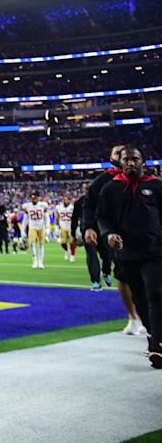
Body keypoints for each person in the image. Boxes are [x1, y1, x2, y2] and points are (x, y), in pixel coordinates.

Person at [96, 146, 162, 369]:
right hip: (126, 253)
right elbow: (103, 217)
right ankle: (155, 337)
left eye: (135, 159)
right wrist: (109, 234)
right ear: (121, 163)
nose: (131, 163)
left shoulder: (156, 185)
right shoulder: (110, 189)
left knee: (155, 294)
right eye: (127, 160)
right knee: (140, 299)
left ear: (142, 161)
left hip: (154, 251)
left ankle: (156, 344)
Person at [84, 144, 144, 334]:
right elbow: (90, 205)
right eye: (117, 153)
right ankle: (133, 317)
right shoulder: (104, 182)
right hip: (118, 237)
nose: (121, 157)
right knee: (124, 276)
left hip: (146, 236)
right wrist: (89, 227)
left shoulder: (147, 180)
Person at [73, 190, 111, 292]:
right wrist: (73, 234)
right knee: (91, 255)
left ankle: (106, 272)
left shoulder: (102, 200)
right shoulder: (79, 202)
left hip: (102, 230)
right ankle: (96, 281)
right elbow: (74, 218)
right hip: (87, 232)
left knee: (106, 255)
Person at [22, 193, 49, 269]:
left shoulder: (43, 205)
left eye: (35, 198)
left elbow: (46, 217)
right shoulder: (28, 206)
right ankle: (35, 260)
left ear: (38, 198)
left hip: (41, 227)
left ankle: (40, 261)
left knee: (41, 245)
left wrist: (47, 227)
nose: (34, 199)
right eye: (32, 198)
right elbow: (25, 219)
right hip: (32, 227)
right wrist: (23, 230)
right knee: (32, 244)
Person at [55, 195, 76, 262]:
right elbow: (57, 217)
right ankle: (67, 251)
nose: (65, 201)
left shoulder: (73, 207)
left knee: (72, 241)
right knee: (62, 242)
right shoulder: (59, 207)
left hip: (71, 226)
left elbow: (76, 217)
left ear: (70, 201)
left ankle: (72, 255)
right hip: (63, 225)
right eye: (64, 200)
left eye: (67, 200)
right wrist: (57, 225)